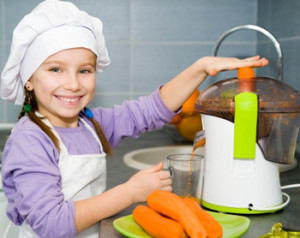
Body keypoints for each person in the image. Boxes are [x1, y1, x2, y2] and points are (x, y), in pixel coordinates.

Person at [0, 0, 269, 237]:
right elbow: (52, 224)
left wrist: (200, 68)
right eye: (55, 69)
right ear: (29, 80)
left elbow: (149, 110)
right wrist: (129, 193)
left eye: (84, 70)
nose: (73, 84)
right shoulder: (30, 141)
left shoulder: (91, 123)